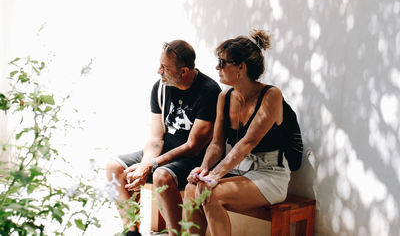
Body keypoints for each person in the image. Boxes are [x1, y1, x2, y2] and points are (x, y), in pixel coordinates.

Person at [185, 29, 298, 236]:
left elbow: (247, 143)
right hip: (240, 171)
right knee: (192, 190)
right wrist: (204, 170)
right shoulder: (225, 97)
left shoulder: (271, 95)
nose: (216, 67)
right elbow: (217, 144)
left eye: (222, 62)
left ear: (241, 67)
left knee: (210, 193)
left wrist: (215, 176)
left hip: (270, 174)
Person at [106, 40, 221, 236]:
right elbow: (155, 139)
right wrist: (144, 165)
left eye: (165, 67)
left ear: (183, 71)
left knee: (161, 175)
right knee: (114, 167)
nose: (159, 71)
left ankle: (175, 233)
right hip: (162, 155)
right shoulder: (160, 88)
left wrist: (152, 164)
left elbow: (193, 146)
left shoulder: (209, 91)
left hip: (194, 160)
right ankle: (131, 231)